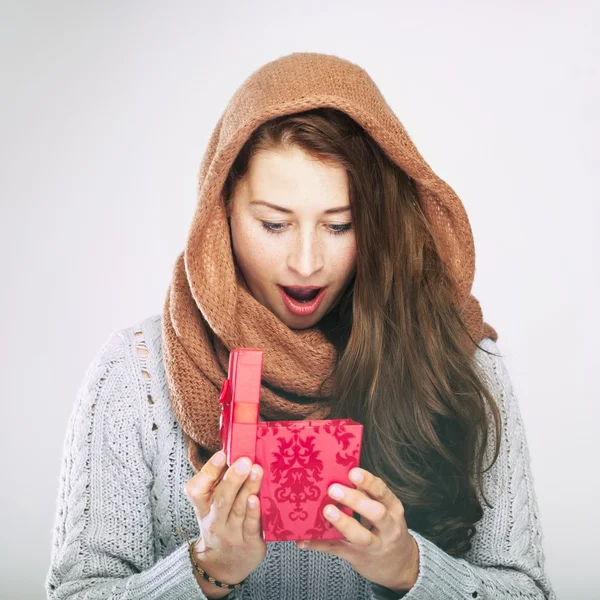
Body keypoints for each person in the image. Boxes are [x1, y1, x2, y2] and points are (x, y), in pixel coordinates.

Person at [46, 52, 556, 600]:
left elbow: (525, 590)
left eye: (340, 225)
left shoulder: (458, 360)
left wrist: (409, 568)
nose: (307, 262)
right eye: (273, 223)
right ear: (220, 214)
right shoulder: (136, 374)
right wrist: (207, 570)